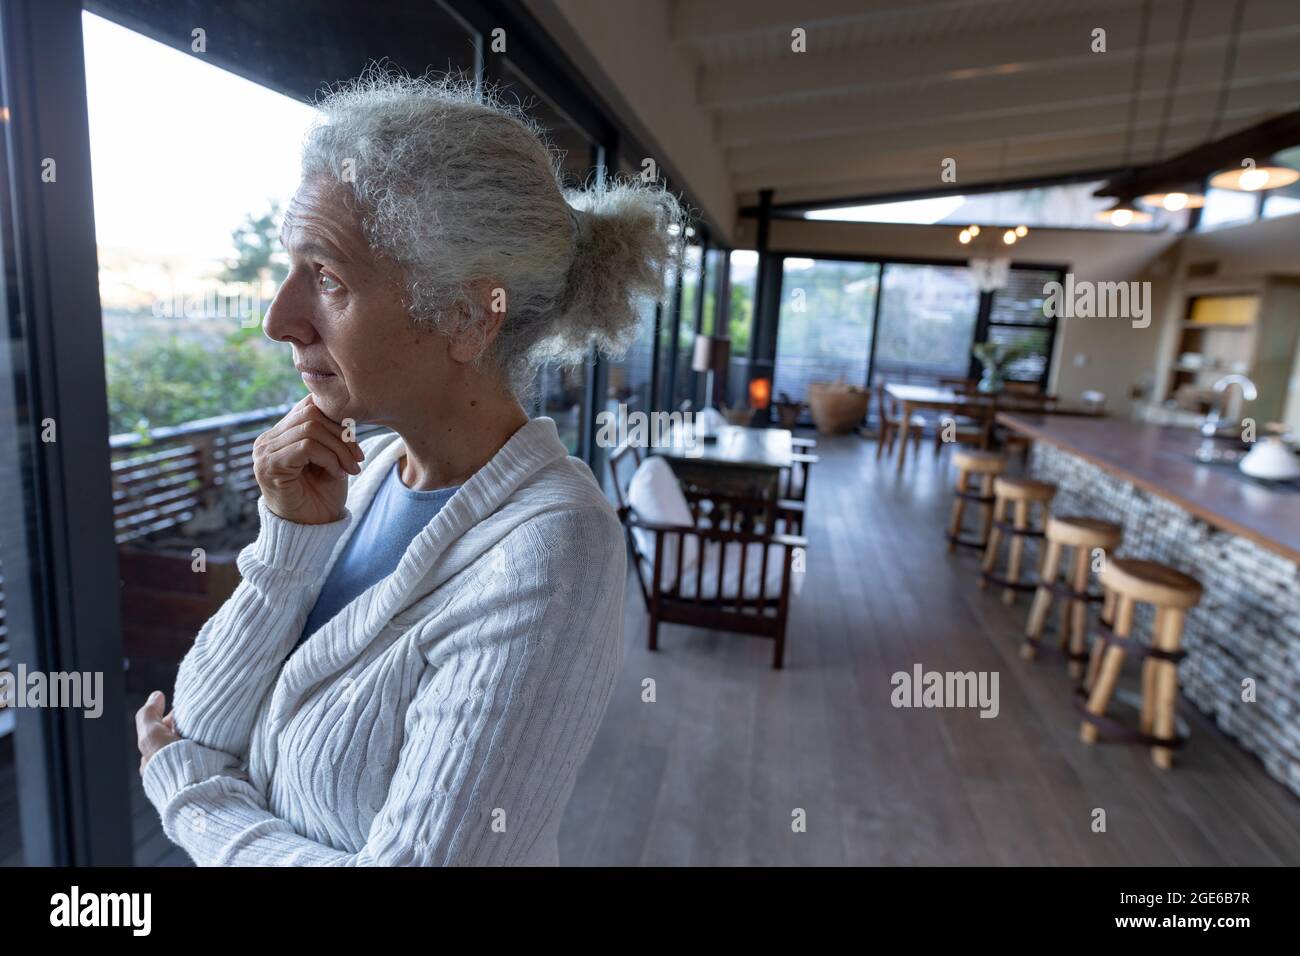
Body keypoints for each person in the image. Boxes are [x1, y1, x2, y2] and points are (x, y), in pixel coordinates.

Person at [133, 67, 683, 865]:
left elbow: (184, 758)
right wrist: (288, 543)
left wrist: (193, 800)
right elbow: (203, 723)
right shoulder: (362, 471)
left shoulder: (552, 555)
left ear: (466, 315)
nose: (278, 319)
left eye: (326, 279)